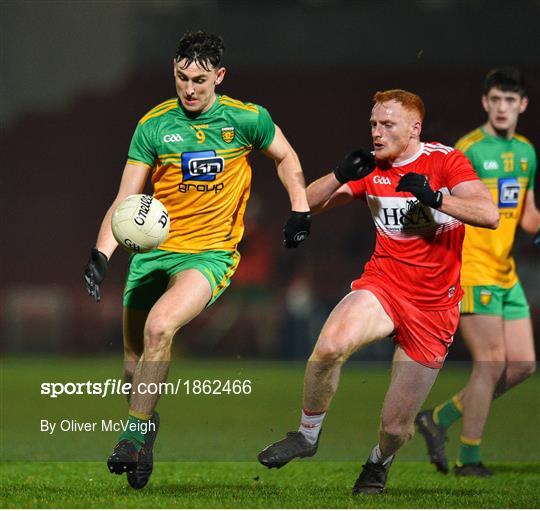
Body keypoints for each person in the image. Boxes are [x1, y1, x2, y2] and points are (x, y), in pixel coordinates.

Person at [83, 30, 311, 490]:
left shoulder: (247, 120)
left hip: (208, 255)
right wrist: (100, 254)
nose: (189, 88)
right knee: (133, 365)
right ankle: (145, 428)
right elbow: (125, 197)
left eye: (200, 80)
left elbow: (285, 156)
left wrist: (300, 208)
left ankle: (131, 436)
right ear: (174, 70)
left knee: (160, 327)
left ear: (219, 76)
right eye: (182, 77)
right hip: (151, 253)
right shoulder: (154, 125)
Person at [257, 89, 499, 495]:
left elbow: (488, 214)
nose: (377, 131)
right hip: (383, 286)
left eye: (387, 124)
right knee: (330, 345)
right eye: (373, 123)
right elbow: (307, 205)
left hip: (434, 308)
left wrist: (437, 196)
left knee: (395, 427)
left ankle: (379, 461)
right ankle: (307, 435)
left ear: (414, 128)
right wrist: (338, 174)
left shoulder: (446, 161)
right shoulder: (372, 167)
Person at [416, 67, 539, 477]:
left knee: (521, 365)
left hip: (506, 272)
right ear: (485, 102)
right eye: (496, 100)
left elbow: (528, 218)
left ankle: (441, 418)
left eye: (511, 100)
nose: (503, 108)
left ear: (522, 104)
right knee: (491, 362)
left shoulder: (526, 152)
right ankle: (468, 459)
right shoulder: (467, 150)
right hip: (472, 267)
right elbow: (439, 208)